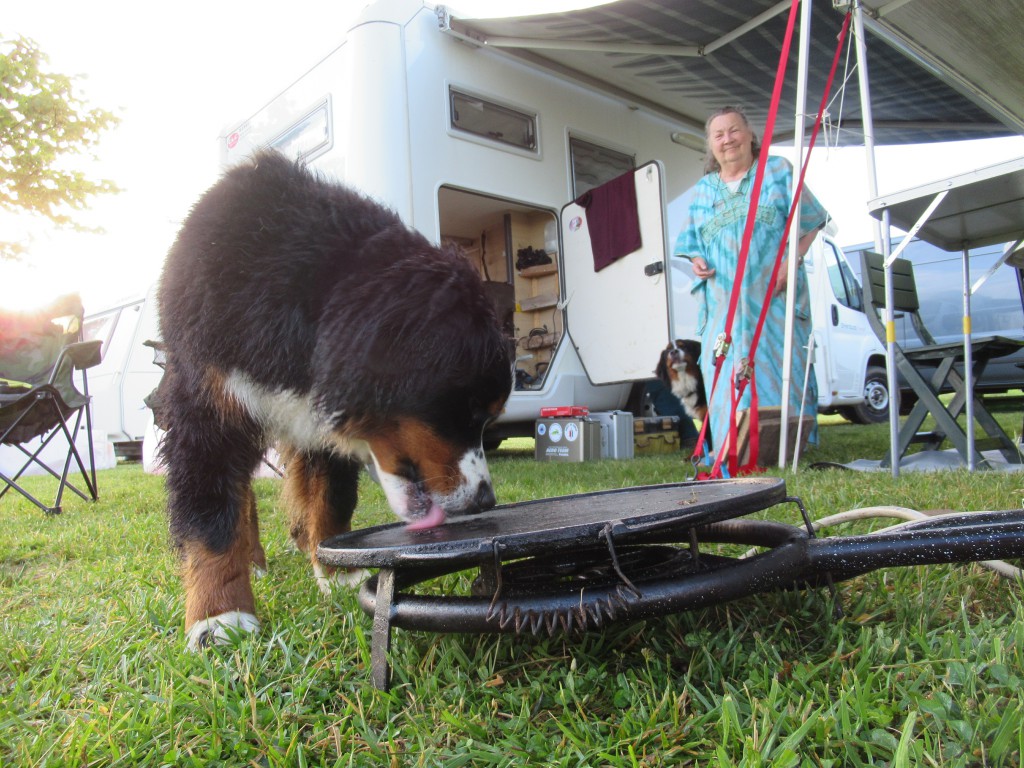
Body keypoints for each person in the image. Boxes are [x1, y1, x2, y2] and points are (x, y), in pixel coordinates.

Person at [673, 106, 829, 456]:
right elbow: (691, 243)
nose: (727, 139)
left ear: (750, 135)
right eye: (719, 134)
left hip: (773, 296)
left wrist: (792, 260)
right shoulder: (704, 190)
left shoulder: (777, 172)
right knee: (725, 373)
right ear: (711, 146)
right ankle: (732, 447)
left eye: (734, 130)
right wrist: (697, 261)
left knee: (778, 366)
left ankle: (786, 446)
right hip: (723, 307)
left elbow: (813, 221)